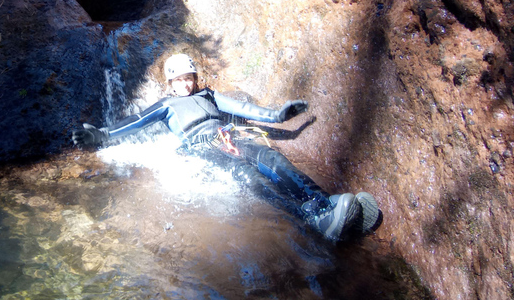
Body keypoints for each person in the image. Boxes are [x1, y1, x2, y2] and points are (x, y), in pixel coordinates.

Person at [73, 53, 382, 242]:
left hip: (226, 136)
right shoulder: (166, 105)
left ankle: (326, 205)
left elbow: (245, 110)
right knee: (248, 176)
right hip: (199, 147)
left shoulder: (209, 95)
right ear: (170, 83)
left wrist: (277, 115)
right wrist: (102, 135)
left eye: (189, 78)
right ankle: (311, 220)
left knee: (272, 159)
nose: (185, 84)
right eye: (179, 79)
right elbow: (135, 121)